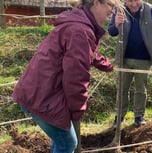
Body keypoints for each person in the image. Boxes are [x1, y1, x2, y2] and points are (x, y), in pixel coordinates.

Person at [12, 0, 119, 152]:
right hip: (44, 96)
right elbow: (76, 78)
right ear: (96, 3)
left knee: (61, 141)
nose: (113, 11)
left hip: (37, 90)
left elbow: (89, 53)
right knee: (68, 143)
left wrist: (108, 66)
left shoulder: (79, 23)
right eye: (111, 5)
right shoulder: (80, 31)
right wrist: (77, 111)